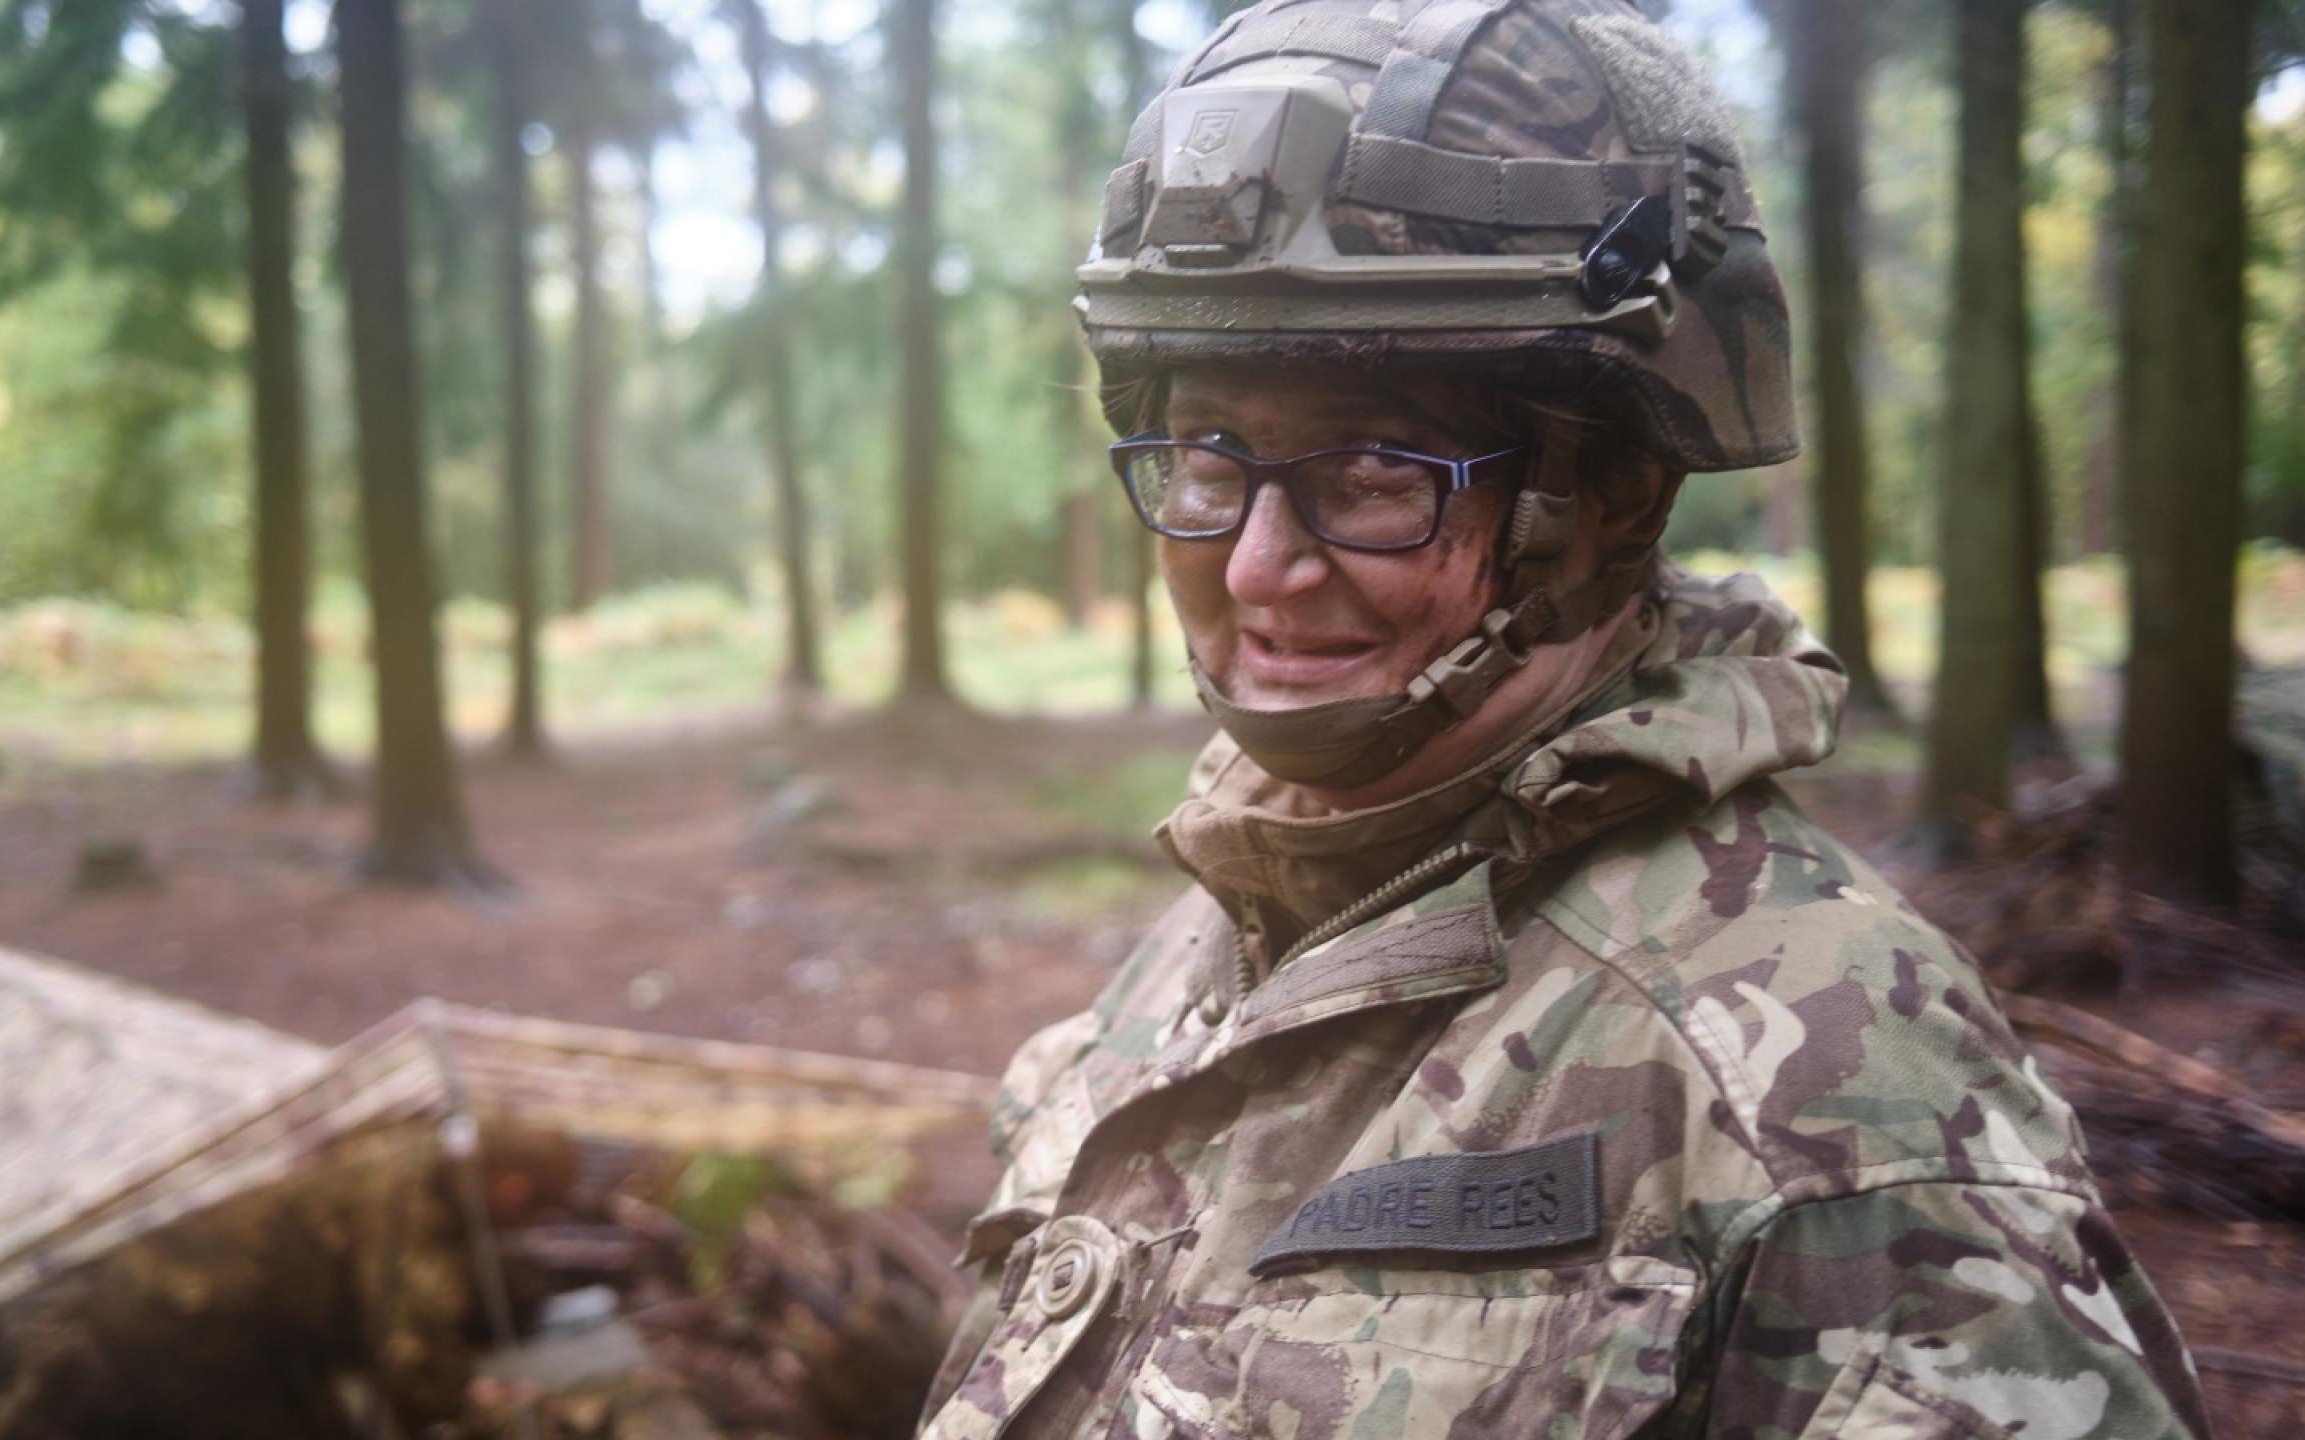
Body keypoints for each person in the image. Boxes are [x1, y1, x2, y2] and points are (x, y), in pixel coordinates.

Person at [917, 2, 2212, 1437]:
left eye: (1370, 470)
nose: (1256, 566)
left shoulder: (1828, 1081)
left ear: (1610, 496)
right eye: (1203, 453)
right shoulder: (1238, 925)